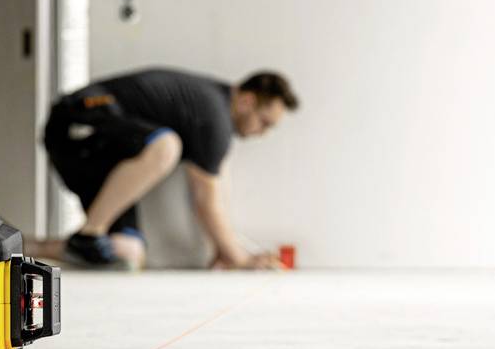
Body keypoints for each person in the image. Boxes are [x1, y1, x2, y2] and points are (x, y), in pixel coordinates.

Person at [32, 67, 298, 269]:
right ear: (247, 101)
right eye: (264, 122)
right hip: (77, 118)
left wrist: (225, 249)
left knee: (128, 252)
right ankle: (90, 233)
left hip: (101, 150)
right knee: (166, 145)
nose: (262, 133)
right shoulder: (214, 116)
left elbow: (214, 191)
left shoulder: (213, 114)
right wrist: (239, 258)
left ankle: (28, 246)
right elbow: (206, 200)